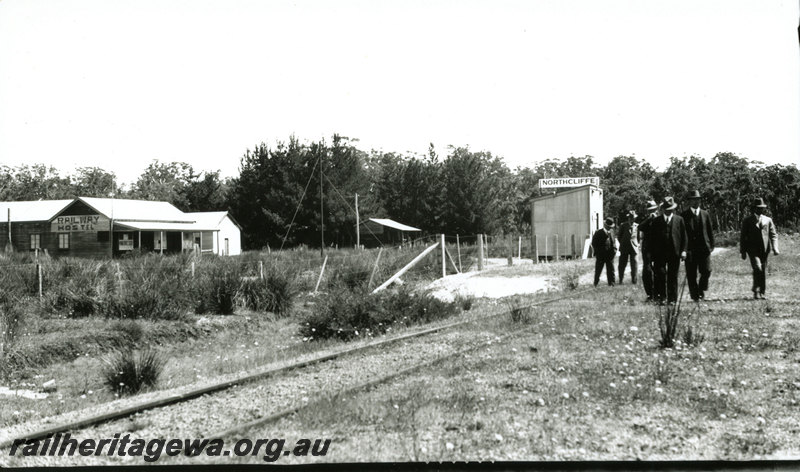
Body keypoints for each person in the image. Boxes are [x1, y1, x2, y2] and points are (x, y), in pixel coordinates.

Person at [639, 196, 687, 305]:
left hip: (674, 252)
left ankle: (672, 299)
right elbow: (651, 239)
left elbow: (684, 237)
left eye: (671, 209)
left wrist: (684, 251)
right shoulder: (656, 221)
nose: (669, 211)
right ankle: (662, 298)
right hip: (659, 254)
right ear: (663, 209)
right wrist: (650, 254)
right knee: (660, 275)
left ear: (673, 209)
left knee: (672, 276)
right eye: (667, 209)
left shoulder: (679, 220)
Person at [740, 197, 779, 300]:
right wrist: (743, 251)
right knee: (758, 268)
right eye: (758, 208)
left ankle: (761, 292)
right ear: (754, 208)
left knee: (762, 271)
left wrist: (775, 248)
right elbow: (743, 237)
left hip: (764, 250)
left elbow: (773, 234)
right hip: (752, 250)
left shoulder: (768, 220)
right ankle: (755, 289)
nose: (760, 210)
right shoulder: (747, 220)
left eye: (762, 208)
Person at [681, 190, 715, 302]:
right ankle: (695, 296)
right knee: (691, 274)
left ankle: (701, 288)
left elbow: (710, 231)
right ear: (689, 202)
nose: (696, 202)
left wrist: (711, 246)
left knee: (707, 270)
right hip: (690, 250)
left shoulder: (705, 214)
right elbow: (682, 234)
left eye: (698, 199)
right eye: (693, 199)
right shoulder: (684, 216)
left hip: (704, 248)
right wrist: (684, 250)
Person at [638, 200, 659, 302]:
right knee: (647, 270)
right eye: (650, 210)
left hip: (658, 248)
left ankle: (658, 293)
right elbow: (640, 227)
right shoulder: (645, 219)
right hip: (647, 249)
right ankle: (650, 294)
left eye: (654, 210)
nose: (652, 212)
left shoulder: (661, 218)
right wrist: (649, 219)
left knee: (659, 270)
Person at [592, 217, 617, 287]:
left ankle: (611, 284)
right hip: (601, 256)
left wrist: (614, 251)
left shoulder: (612, 232)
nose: (610, 228)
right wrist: (598, 253)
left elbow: (614, 243)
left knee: (611, 270)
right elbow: (594, 244)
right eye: (609, 227)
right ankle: (595, 284)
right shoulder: (598, 233)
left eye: (611, 227)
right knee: (598, 270)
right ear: (605, 225)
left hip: (610, 255)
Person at [617, 210, 639, 284]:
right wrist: (623, 243)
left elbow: (638, 237)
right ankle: (620, 279)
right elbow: (619, 236)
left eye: (633, 218)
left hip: (634, 248)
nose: (631, 219)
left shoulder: (637, 226)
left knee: (634, 264)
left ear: (634, 218)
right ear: (628, 218)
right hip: (624, 247)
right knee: (622, 264)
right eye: (630, 218)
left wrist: (636, 244)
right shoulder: (623, 225)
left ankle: (634, 280)